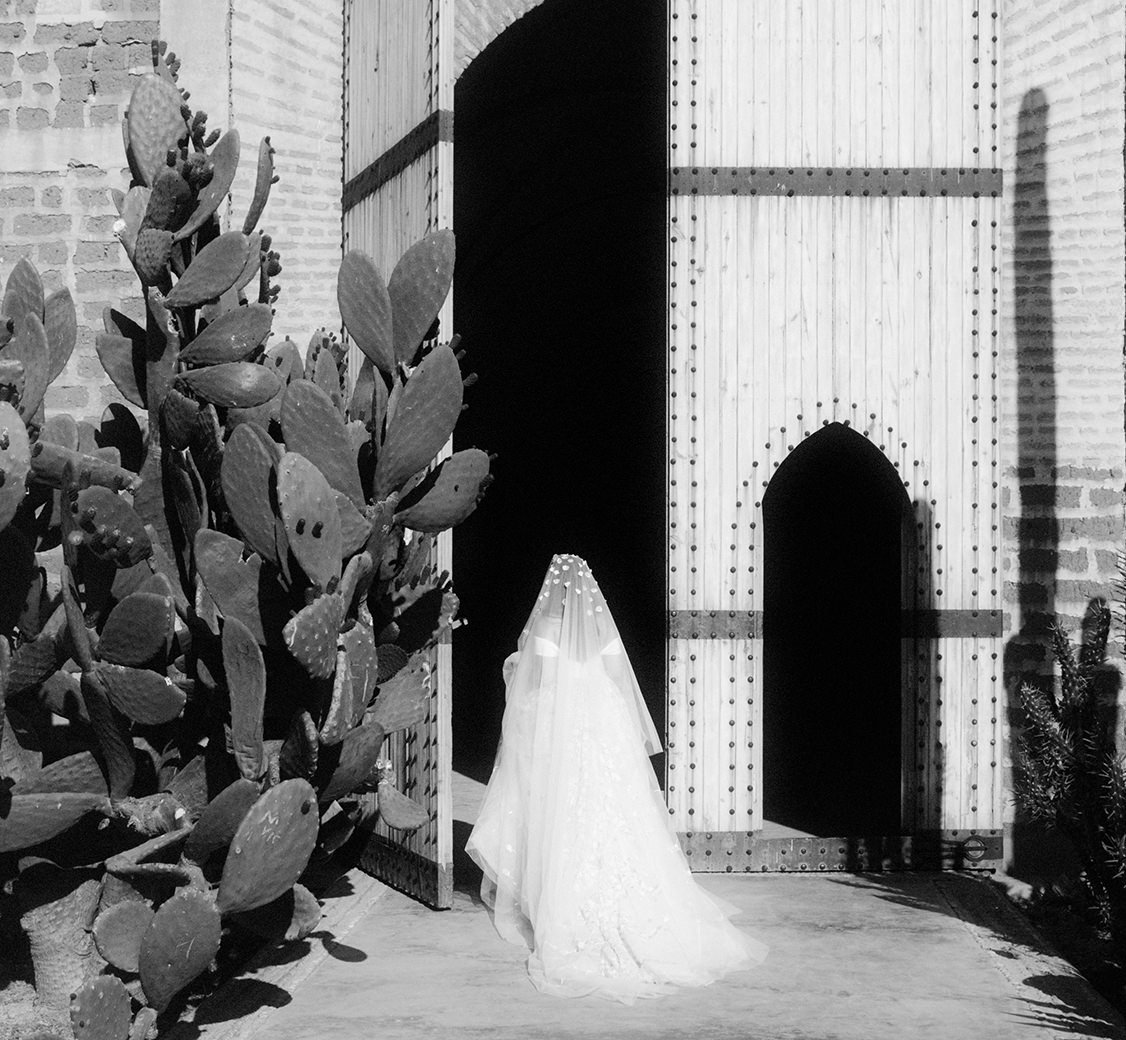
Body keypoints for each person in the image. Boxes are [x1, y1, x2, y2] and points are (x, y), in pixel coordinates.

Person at [466, 553, 767, 1003]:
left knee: (555, 807)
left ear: (553, 590)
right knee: (613, 810)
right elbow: (616, 681)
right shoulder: (604, 631)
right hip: (602, 726)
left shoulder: (547, 628)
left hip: (558, 726)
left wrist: (514, 668)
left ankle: (550, 896)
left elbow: (532, 678)